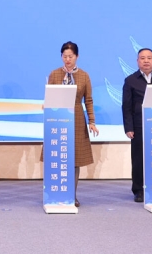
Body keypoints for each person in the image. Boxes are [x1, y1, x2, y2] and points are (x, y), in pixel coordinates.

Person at [43, 41, 99, 207]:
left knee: (74, 159)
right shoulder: (54, 74)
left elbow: (88, 100)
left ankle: (71, 195)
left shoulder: (84, 76)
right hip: (57, 119)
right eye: (65, 56)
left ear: (77, 57)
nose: (67, 60)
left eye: (70, 56)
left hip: (77, 119)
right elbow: (49, 96)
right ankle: (54, 193)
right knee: (57, 157)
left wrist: (92, 121)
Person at [121, 47, 152, 202]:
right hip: (139, 126)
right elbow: (126, 106)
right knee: (138, 160)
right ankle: (139, 190)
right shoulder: (130, 80)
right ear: (137, 61)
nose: (146, 61)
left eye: (149, 58)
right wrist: (129, 127)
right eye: (142, 58)